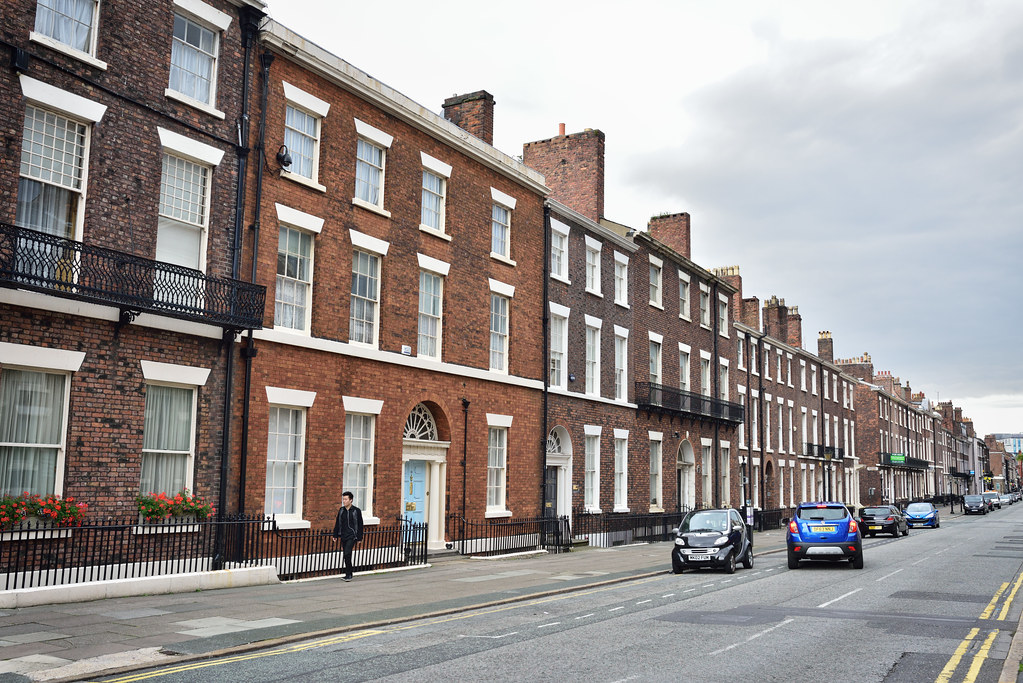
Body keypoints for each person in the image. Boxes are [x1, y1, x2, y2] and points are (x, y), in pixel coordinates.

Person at [332, 491, 364, 582]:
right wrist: (335, 535)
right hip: (343, 535)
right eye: (343, 499)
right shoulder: (341, 510)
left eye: (346, 499)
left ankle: (348, 574)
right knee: (346, 555)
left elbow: (360, 524)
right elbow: (337, 523)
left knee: (347, 553)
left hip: (352, 536)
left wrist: (359, 537)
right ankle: (349, 573)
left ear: (351, 500)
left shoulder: (356, 510)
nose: (344, 501)